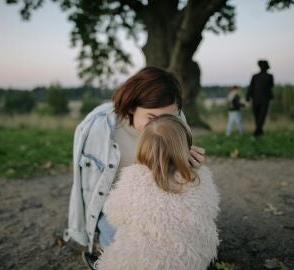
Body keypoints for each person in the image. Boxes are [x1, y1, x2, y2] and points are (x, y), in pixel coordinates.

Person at [62, 67, 206, 269]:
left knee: (178, 252)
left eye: (170, 117)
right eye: (152, 118)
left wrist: (191, 167)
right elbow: (85, 186)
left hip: (160, 204)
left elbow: (181, 182)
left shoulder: (178, 122)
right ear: (131, 108)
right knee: (126, 252)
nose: (163, 126)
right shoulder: (98, 128)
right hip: (117, 207)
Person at [97, 114, 220, 270]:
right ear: (187, 148)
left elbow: (113, 214)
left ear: (142, 146)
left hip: (144, 264)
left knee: (111, 233)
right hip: (191, 261)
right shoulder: (200, 177)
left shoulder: (134, 177)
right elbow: (211, 211)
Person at [246, 60, 274, 137]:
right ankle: (259, 130)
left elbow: (250, 87)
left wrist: (248, 96)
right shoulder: (268, 76)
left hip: (257, 99)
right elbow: (270, 87)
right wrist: (248, 96)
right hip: (263, 99)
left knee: (258, 115)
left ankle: (258, 130)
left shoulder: (256, 76)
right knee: (260, 115)